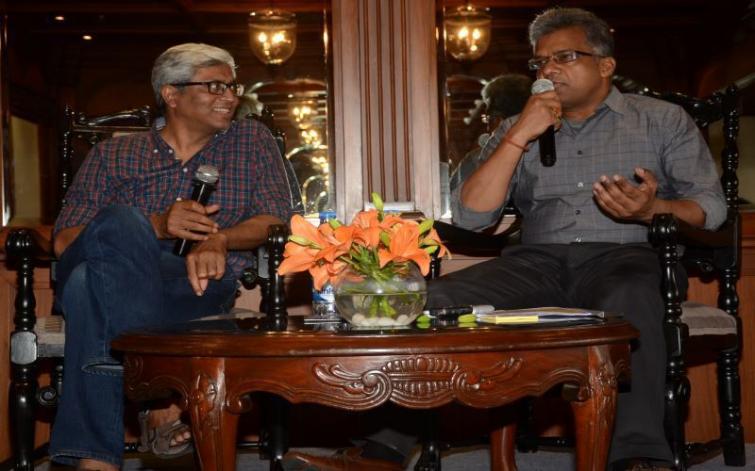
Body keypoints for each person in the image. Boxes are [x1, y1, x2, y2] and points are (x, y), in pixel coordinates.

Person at [282, 7, 726, 471]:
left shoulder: (661, 120)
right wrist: (519, 135)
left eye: (564, 57)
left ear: (605, 65)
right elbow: (472, 216)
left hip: (627, 255)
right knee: (430, 302)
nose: (548, 69)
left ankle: (636, 455)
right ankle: (382, 452)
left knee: (630, 295)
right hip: (536, 262)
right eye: (540, 62)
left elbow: (711, 207)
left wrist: (651, 209)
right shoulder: (518, 125)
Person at [48, 43, 293, 470]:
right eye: (215, 86)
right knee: (120, 223)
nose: (230, 96)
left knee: (88, 286)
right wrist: (156, 226)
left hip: (194, 288)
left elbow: (277, 221)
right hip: (120, 269)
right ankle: (158, 394)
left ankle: (99, 457)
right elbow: (65, 241)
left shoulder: (251, 141)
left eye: (232, 87)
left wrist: (220, 239)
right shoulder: (114, 154)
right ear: (171, 93)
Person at [449, 73, 532, 194]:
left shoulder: (478, 159)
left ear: (497, 120)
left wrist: (459, 162)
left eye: (487, 118)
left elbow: (457, 199)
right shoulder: (549, 151)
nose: (486, 126)